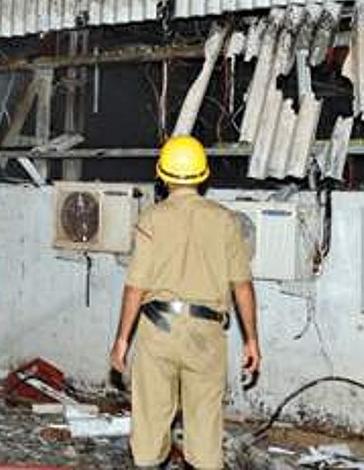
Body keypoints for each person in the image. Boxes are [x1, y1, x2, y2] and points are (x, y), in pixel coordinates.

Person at [109, 135, 260, 470]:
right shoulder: (225, 220)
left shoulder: (151, 219)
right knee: (205, 426)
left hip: (157, 330)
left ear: (162, 175)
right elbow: (243, 287)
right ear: (203, 175)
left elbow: (135, 288)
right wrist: (252, 340)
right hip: (206, 333)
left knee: (150, 422)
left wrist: (121, 341)